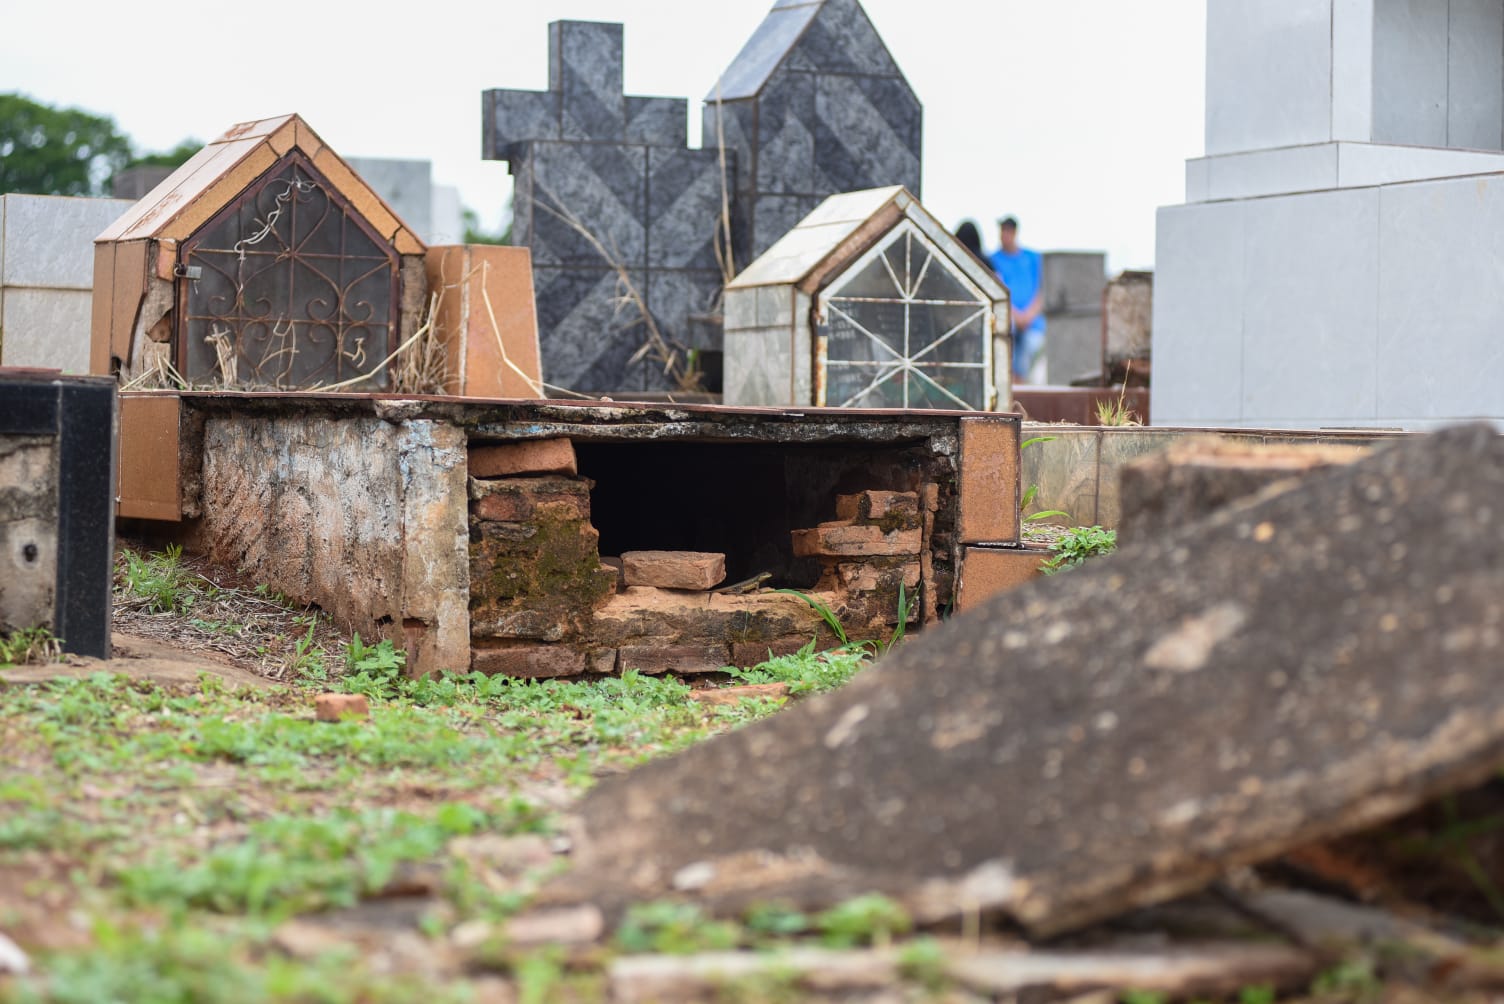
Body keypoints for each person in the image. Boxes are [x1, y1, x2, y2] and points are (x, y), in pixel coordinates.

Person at [988, 216, 1045, 382]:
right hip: (1009, 319)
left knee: (1032, 353)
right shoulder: (994, 259)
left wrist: (1029, 315)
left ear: (1014, 233)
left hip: (1032, 323)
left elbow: (1042, 290)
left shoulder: (1033, 258)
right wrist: (1015, 315)